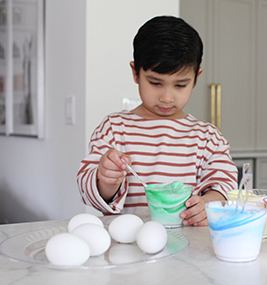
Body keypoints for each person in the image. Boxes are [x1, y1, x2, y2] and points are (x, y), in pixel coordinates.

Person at [76, 16, 238, 226]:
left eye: (180, 85)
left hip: (187, 250)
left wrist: (209, 204)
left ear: (196, 77)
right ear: (136, 73)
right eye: (155, 82)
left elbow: (224, 184)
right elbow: (90, 193)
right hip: (128, 249)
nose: (167, 97)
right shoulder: (114, 129)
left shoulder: (207, 137)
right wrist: (105, 179)